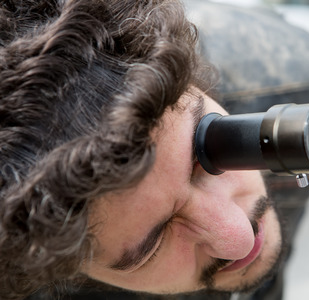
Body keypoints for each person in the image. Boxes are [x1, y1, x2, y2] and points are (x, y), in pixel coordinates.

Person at [0, 0, 286, 299]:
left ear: (192, 80)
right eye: (153, 248)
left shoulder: (294, 83)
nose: (241, 236)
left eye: (208, 153)